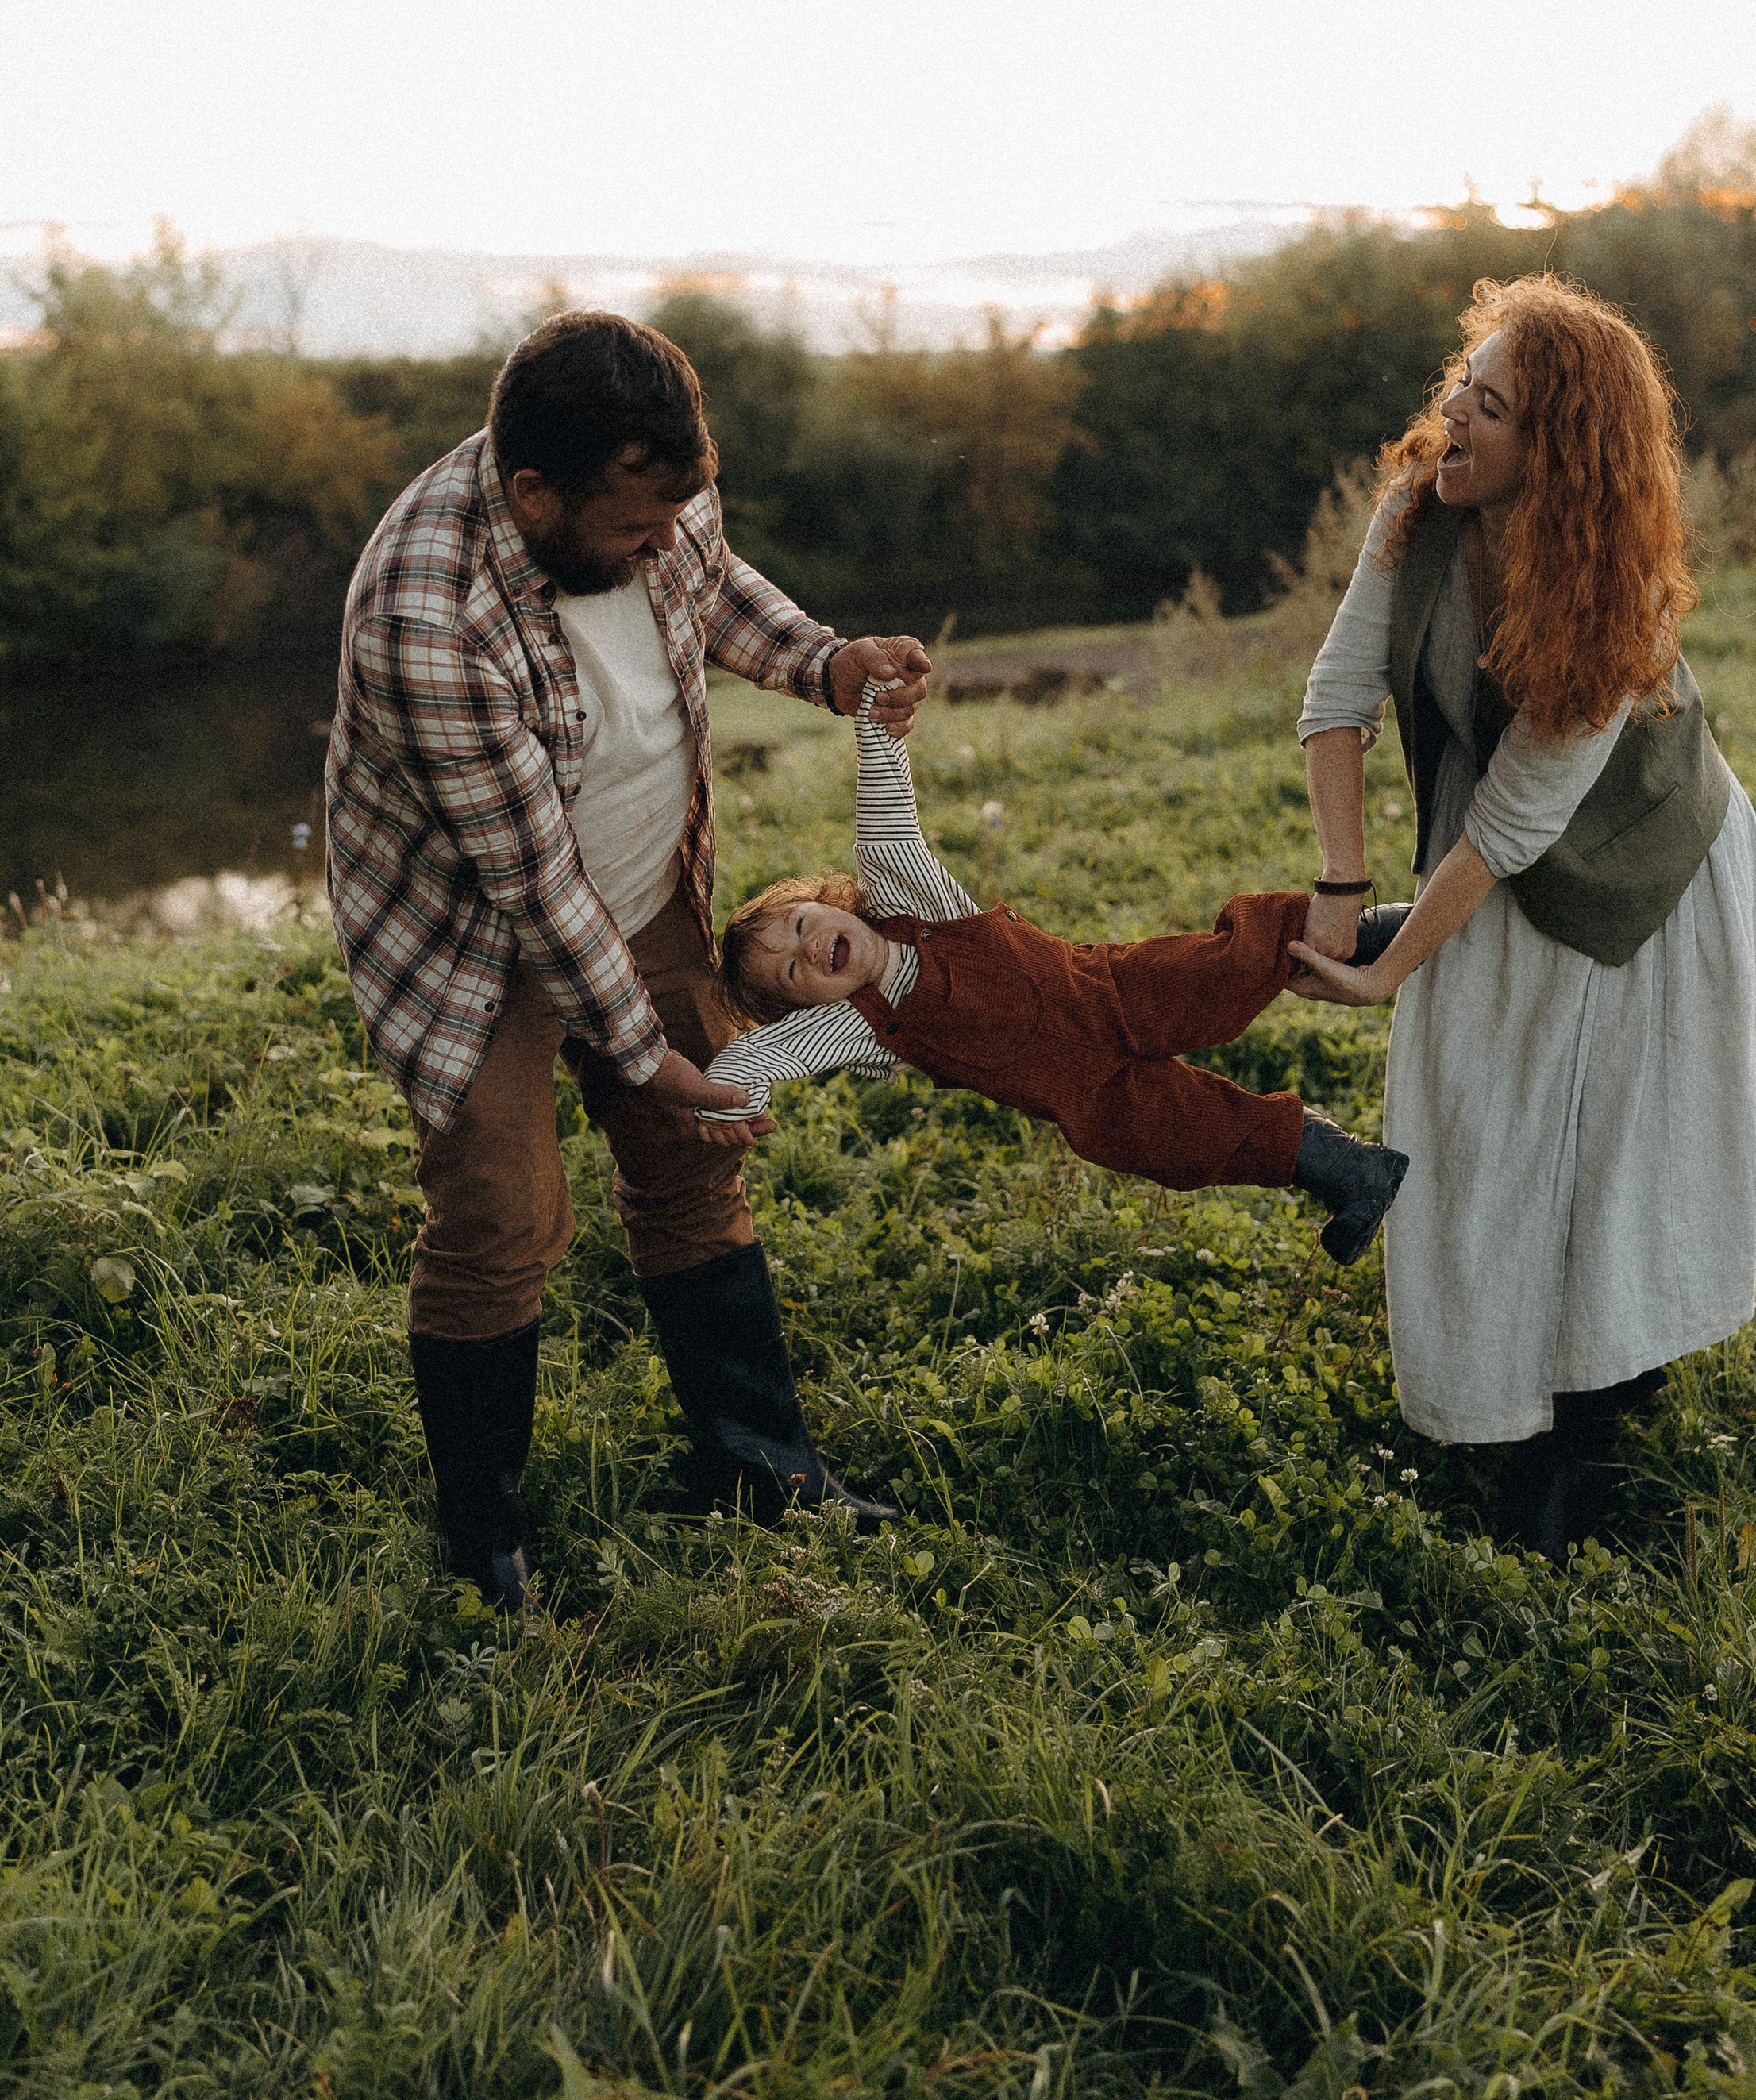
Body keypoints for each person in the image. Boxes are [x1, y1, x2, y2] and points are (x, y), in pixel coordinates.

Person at [325, 307, 928, 1607]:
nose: (663, 545)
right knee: (500, 1215)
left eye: (674, 517)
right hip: (476, 939)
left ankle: (760, 1470)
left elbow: (710, 581)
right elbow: (535, 883)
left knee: (694, 1156)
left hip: (651, 880)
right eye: (633, 530)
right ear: (531, 489)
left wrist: (828, 665)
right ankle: (484, 1539)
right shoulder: (427, 611)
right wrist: (640, 1050)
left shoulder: (651, 484)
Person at [1287, 273, 1756, 1555]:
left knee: (1618, 1149)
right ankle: (1495, 1385)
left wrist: (1390, 970)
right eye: (1462, 381)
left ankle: (1587, 1428)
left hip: (1652, 875)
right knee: (1480, 1118)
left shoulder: (1616, 595)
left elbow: (1513, 823)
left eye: (1490, 407)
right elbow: (1335, 698)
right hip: (1502, 845)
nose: (1452, 416)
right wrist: (1345, 890)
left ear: (1556, 456)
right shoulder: (1419, 508)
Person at [700, 684, 1409, 1254]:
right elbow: (757, 1056)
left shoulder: (910, 900)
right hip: (1087, 1098)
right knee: (1183, 1138)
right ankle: (1347, 1169)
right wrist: (731, 1106)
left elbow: (884, 812)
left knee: (1228, 966)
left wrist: (876, 706)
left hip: (1110, 991)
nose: (809, 949)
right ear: (810, 1006)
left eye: (800, 925)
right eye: (793, 974)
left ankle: (1366, 932)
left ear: (828, 902)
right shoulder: (859, 1026)